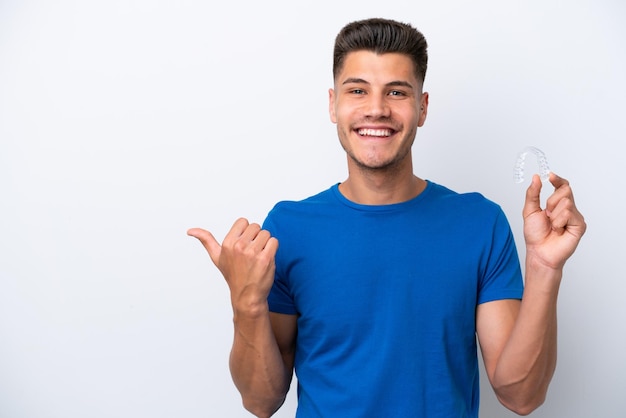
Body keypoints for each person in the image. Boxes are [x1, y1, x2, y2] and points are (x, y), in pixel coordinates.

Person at [188, 17, 586, 418]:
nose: (376, 109)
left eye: (396, 92)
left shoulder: (480, 223)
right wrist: (246, 303)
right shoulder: (288, 228)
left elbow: (522, 397)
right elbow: (260, 401)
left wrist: (544, 267)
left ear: (422, 108)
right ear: (333, 104)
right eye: (357, 90)